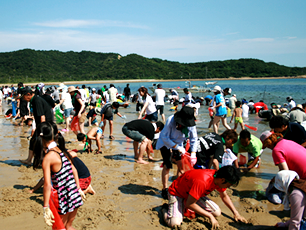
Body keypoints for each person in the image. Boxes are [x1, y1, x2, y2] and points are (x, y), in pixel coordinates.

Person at [32, 122, 84, 229]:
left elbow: (47, 185)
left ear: (40, 137)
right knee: (69, 226)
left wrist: (45, 207)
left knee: (60, 228)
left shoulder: (48, 157)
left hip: (64, 200)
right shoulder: (63, 150)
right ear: (56, 135)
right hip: (74, 195)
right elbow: (74, 170)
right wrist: (78, 188)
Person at [162, 166, 247, 228]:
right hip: (177, 193)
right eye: (229, 185)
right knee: (175, 223)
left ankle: (182, 208)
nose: (228, 187)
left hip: (193, 193)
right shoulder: (203, 181)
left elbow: (224, 196)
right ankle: (165, 209)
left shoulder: (218, 179)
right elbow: (190, 204)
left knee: (217, 212)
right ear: (223, 180)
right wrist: (209, 216)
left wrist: (236, 214)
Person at [156, 106, 198, 199]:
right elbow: (164, 137)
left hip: (179, 143)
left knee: (181, 167)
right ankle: (164, 188)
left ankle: (177, 187)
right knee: (167, 165)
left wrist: (193, 153)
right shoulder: (170, 120)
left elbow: (194, 139)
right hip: (165, 143)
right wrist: (176, 147)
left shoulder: (191, 124)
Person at [19, 86, 54, 165]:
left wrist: (42, 131)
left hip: (45, 125)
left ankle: (47, 161)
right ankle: (29, 160)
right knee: (33, 141)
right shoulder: (34, 99)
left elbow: (42, 116)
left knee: (44, 144)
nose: (23, 99)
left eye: (23, 96)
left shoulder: (36, 100)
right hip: (41, 125)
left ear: (28, 94)